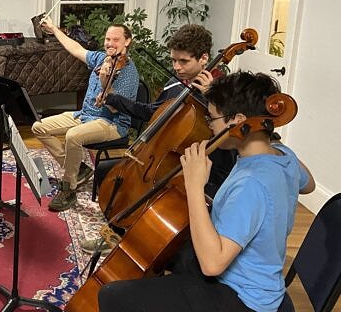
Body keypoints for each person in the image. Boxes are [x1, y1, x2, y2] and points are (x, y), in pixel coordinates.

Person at [96, 71, 315, 312]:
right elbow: (309, 185)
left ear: (238, 121)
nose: (209, 126)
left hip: (242, 297)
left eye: (212, 118)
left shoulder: (250, 183)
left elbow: (212, 265)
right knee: (169, 249)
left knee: (113, 296)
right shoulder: (285, 156)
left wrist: (194, 186)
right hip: (263, 280)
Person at [81, 24, 237, 253]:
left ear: (204, 58)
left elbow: (231, 135)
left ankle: (146, 243)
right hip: (166, 156)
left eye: (183, 62)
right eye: (173, 60)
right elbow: (150, 112)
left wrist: (213, 99)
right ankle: (116, 233)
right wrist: (112, 98)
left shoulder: (224, 90)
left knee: (148, 190)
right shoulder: (176, 84)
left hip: (204, 168)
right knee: (110, 173)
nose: (176, 67)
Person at [36, 18, 139, 212]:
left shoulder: (129, 74)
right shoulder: (102, 59)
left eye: (115, 40)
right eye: (107, 39)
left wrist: (103, 82)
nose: (109, 43)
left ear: (127, 41)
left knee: (73, 136)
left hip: (111, 123)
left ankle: (68, 189)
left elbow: (116, 109)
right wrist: (53, 29)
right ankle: (80, 169)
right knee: (39, 127)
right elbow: (75, 48)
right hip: (84, 115)